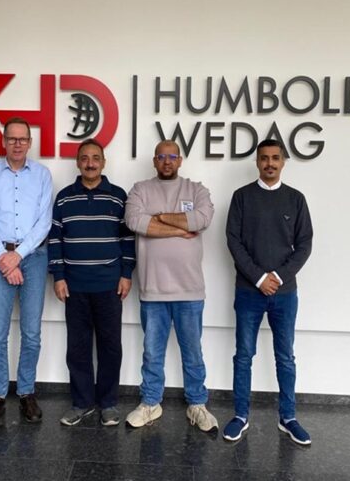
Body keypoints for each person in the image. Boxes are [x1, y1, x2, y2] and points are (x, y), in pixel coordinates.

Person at [123, 140, 218, 433]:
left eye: (172, 156)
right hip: (153, 291)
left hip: (190, 291)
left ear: (180, 160)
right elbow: (134, 220)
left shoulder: (196, 190)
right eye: (162, 156)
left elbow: (202, 218)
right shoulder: (140, 190)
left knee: (193, 353)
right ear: (154, 160)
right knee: (152, 354)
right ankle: (151, 402)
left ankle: (197, 404)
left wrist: (160, 217)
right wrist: (180, 227)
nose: (167, 161)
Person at [223, 139, 313, 445]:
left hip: (285, 294)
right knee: (243, 356)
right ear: (257, 162)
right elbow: (233, 241)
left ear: (283, 162)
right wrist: (260, 277)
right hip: (249, 291)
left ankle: (288, 418)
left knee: (285, 357)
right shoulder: (242, 197)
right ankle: (240, 416)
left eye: (275, 158)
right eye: (264, 158)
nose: (270, 163)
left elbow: (304, 245)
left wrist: (278, 276)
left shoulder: (296, 199)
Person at [48, 139, 135, 427]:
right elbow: (55, 239)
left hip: (109, 286)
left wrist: (126, 273)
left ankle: (108, 403)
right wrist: (58, 276)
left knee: (111, 347)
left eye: (95, 158)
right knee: (78, 348)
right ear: (77, 162)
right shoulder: (64, 198)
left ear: (103, 162)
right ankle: (82, 403)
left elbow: (127, 238)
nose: (90, 163)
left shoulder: (118, 197)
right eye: (84, 158)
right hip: (74, 286)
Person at [0, 117, 53, 425]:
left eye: (23, 139)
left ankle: (26, 392)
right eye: (12, 138)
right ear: (4, 141)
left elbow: (44, 221)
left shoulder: (43, 175)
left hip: (34, 257)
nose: (17, 144)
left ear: (30, 143)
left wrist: (18, 256)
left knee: (31, 332)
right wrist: (4, 258)